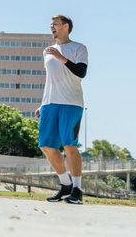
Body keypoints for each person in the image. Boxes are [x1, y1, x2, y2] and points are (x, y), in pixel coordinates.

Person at [36, 14, 88, 205]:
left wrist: (62, 58)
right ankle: (65, 185)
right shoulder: (47, 51)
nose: (52, 27)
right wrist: (42, 104)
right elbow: (51, 80)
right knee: (46, 146)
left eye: (56, 24)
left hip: (71, 103)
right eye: (51, 24)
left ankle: (77, 190)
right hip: (50, 103)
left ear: (66, 26)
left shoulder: (78, 48)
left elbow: (81, 72)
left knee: (69, 145)